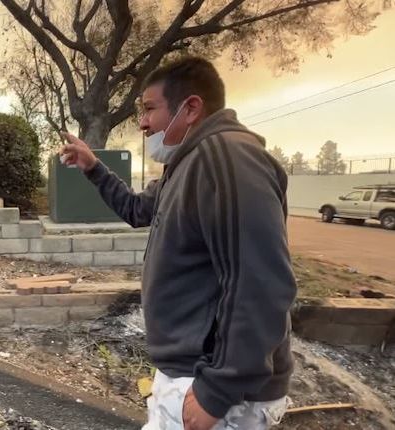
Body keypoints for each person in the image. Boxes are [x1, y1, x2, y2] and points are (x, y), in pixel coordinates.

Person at [60, 57, 296, 430]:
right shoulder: (186, 163)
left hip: (213, 385)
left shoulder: (227, 159)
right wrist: (93, 167)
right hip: (188, 374)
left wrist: (218, 390)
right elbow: (137, 209)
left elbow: (260, 282)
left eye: (149, 109)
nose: (142, 123)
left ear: (190, 108)